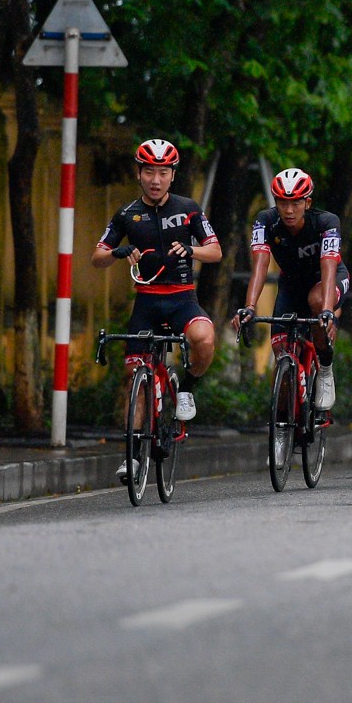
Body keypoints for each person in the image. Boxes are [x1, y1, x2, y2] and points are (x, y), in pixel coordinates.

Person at [92, 139, 224, 484]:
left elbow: (216, 251)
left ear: (172, 176)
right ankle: (133, 459)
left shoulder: (189, 208)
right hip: (146, 303)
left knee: (204, 339)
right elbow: (97, 257)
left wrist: (192, 251)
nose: (155, 179)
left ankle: (187, 388)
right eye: (149, 171)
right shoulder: (126, 214)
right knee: (134, 379)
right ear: (139, 173)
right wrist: (119, 253)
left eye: (163, 172)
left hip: (182, 300)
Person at [240, 167, 349, 410]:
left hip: (327, 280)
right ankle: (287, 416)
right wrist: (249, 306)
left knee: (317, 301)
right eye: (282, 202)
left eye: (296, 203)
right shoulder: (265, 221)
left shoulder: (326, 221)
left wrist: (328, 310)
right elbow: (260, 266)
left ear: (307, 202)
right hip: (291, 285)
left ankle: (325, 369)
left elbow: (329, 265)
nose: (289, 210)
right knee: (281, 352)